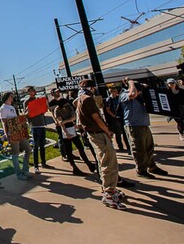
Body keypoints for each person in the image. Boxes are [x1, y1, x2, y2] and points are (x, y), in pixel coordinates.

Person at [75, 80, 126, 209]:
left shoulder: (80, 99)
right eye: (93, 88)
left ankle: (109, 189)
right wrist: (107, 130)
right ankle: (109, 193)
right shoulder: (88, 100)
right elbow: (97, 118)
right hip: (98, 133)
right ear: (91, 88)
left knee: (103, 160)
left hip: (93, 133)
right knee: (108, 161)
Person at [119, 78, 169, 179]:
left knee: (149, 148)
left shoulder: (141, 96)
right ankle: (141, 170)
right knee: (139, 149)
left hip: (144, 124)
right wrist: (131, 83)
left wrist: (146, 89)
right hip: (133, 125)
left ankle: (152, 166)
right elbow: (132, 94)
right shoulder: (124, 94)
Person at [52, 94, 96, 176]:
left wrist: (65, 121)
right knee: (68, 150)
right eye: (64, 104)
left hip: (71, 128)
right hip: (65, 130)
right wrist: (66, 132)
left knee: (80, 146)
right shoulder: (57, 110)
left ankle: (88, 163)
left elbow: (73, 118)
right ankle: (74, 168)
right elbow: (60, 122)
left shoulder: (68, 106)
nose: (66, 105)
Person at [0, 91, 32, 181]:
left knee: (28, 149)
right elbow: (5, 123)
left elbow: (16, 120)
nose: (12, 98)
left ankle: (25, 170)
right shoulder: (3, 108)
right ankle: (19, 174)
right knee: (16, 154)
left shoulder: (12, 107)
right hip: (12, 134)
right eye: (11, 96)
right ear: (6, 97)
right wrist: (7, 134)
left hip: (19, 132)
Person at [25, 86, 51, 174]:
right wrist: (28, 111)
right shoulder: (27, 102)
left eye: (33, 90)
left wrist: (44, 109)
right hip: (34, 126)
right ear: (28, 93)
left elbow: (43, 112)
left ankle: (44, 163)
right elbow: (26, 115)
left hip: (41, 124)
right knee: (36, 146)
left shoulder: (38, 100)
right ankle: (36, 166)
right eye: (31, 91)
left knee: (42, 145)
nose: (33, 92)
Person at [104, 86, 130, 152]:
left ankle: (128, 146)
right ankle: (120, 147)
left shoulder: (118, 97)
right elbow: (108, 109)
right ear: (112, 92)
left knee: (124, 132)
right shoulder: (109, 99)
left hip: (120, 116)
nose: (116, 92)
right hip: (115, 118)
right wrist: (114, 116)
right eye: (115, 91)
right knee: (118, 133)